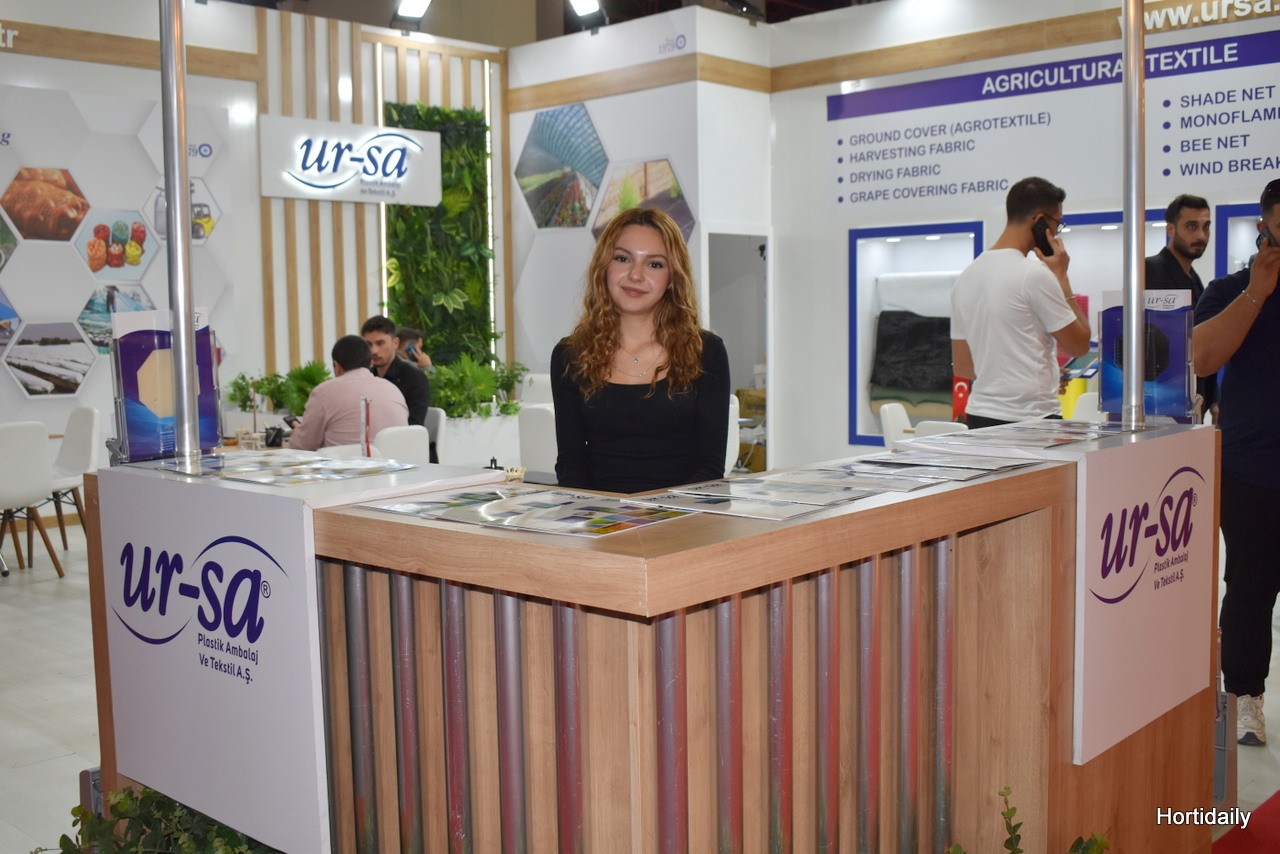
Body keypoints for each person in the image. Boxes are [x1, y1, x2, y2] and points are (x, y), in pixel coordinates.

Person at [551, 207, 730, 493]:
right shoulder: (570, 355)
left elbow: (709, 468)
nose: (635, 275)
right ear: (604, 267)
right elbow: (571, 464)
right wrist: (599, 514)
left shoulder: (705, 351)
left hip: (682, 515)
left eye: (654, 264)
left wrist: (657, 513)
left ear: (672, 278)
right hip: (599, 514)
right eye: (623, 259)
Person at [1192, 177, 1280, 746]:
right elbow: (1201, 357)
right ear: (1263, 228)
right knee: (1250, 587)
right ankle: (1245, 697)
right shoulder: (1229, 289)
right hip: (1251, 470)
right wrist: (1257, 292)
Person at [950, 176, 1091, 428]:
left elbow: (964, 367)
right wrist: (1061, 276)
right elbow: (1079, 345)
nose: (1057, 232)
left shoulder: (965, 277)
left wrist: (1037, 377)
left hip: (979, 418)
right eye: (1057, 223)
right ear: (1040, 220)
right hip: (1030, 421)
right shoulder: (1034, 274)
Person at [1145, 194, 1216, 413]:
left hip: (1191, 401)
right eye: (1191, 226)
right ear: (1171, 229)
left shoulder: (1194, 280)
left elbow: (1203, 343)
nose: (1201, 235)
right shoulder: (1149, 271)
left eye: (1206, 227)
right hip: (1160, 402)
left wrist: (1213, 399)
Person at [286, 335, 409, 451]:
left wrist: (297, 433)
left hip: (346, 465)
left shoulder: (324, 392)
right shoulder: (393, 389)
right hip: (395, 464)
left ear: (337, 366)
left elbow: (303, 445)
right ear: (371, 363)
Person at [362, 315, 430, 425]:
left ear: (395, 343)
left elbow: (415, 424)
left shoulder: (414, 377)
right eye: (368, 344)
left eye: (380, 343)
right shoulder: (366, 377)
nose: (374, 351)